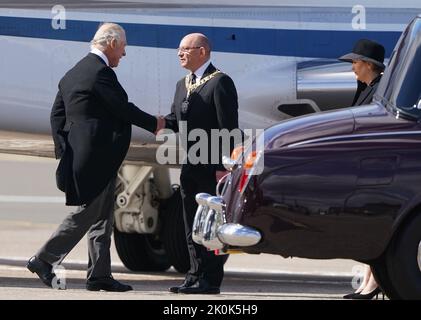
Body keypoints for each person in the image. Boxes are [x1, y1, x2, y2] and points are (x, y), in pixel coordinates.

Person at [26, 23, 165, 291]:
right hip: (97, 158)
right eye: (123, 47)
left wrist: (65, 150)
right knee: (88, 212)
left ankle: (99, 274)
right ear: (112, 43)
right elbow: (121, 107)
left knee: (102, 215)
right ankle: (44, 259)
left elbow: (57, 115)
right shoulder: (98, 73)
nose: (123, 54)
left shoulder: (73, 73)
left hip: (89, 156)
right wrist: (154, 123)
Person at [164, 33, 239, 294]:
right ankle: (194, 275)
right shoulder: (182, 84)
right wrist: (148, 121)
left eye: (186, 49)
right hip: (191, 165)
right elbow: (174, 120)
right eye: (179, 48)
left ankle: (211, 280)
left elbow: (229, 128)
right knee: (191, 224)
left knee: (212, 226)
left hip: (212, 166)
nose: (179, 53)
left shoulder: (220, 83)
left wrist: (224, 167)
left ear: (203, 52)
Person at [339, 38, 386, 300]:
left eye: (355, 62)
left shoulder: (379, 90)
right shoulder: (367, 87)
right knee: (368, 226)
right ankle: (369, 281)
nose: (352, 67)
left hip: (375, 168)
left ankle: (373, 283)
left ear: (368, 64)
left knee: (374, 226)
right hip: (364, 167)